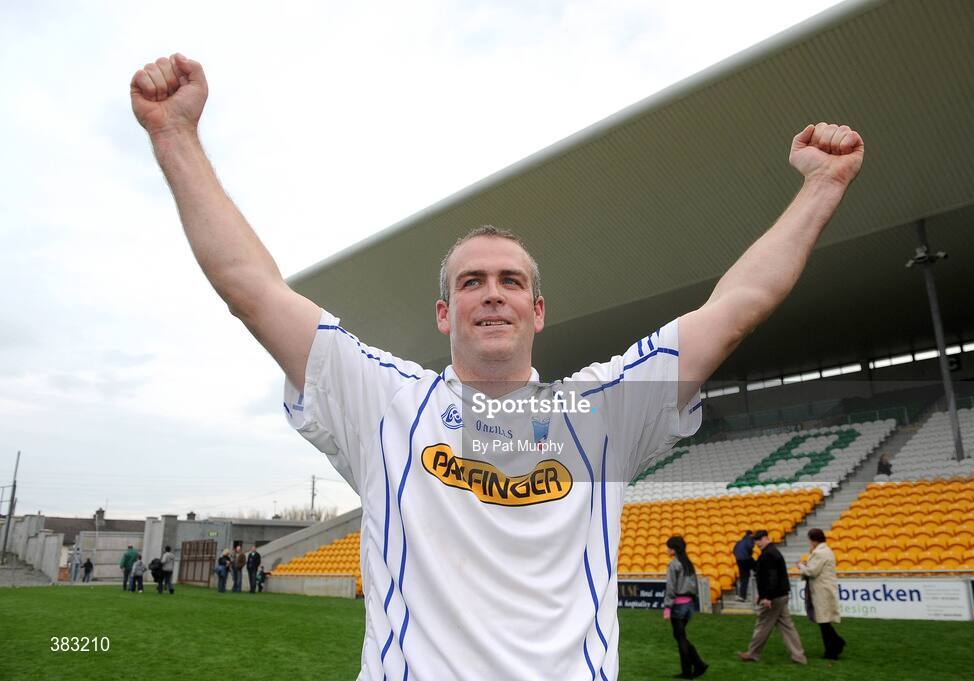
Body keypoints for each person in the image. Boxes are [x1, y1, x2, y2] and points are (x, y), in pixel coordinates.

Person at [130, 52, 863, 679]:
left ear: (537, 310)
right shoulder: (384, 401)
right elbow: (253, 292)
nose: (492, 294)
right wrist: (175, 136)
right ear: (444, 312)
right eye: (470, 282)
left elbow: (733, 309)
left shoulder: (601, 409)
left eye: (511, 281)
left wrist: (820, 186)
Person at [738, 530, 807, 665]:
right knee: (787, 628)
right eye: (755, 540)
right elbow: (769, 577)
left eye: (758, 540)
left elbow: (771, 578)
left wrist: (767, 597)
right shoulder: (772, 552)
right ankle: (799, 656)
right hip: (780, 595)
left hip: (774, 597)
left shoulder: (769, 554)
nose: (756, 543)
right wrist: (764, 594)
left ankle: (752, 654)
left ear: (765, 538)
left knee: (762, 625)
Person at [663, 536, 708, 679]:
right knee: (680, 636)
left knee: (680, 637)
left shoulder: (674, 565)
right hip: (689, 605)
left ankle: (691, 670)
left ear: (674, 549)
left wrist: (667, 607)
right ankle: (697, 665)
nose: (667, 550)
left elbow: (671, 588)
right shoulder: (689, 564)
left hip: (678, 605)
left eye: (669, 547)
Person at [797, 528, 845, 660]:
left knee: (823, 621)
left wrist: (801, 566)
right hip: (824, 589)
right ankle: (834, 647)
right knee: (823, 621)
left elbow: (812, 572)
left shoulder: (819, 553)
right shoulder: (825, 550)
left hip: (821, 590)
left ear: (813, 540)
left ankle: (834, 647)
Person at [733, 530, 755, 601]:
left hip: (739, 560)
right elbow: (749, 547)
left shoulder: (739, 541)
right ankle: (743, 596)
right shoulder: (750, 540)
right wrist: (750, 554)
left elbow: (734, 550)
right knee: (747, 576)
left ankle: (742, 595)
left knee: (743, 577)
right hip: (745, 559)